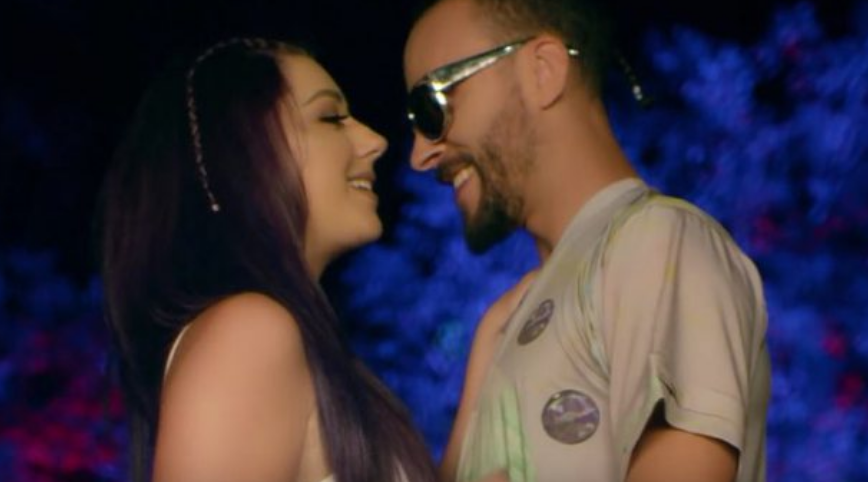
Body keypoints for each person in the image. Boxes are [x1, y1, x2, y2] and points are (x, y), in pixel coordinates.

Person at [402, 1, 770, 481]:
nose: (420, 154)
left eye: (431, 107)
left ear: (543, 70)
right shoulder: (505, 321)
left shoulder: (654, 239)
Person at [99, 38, 439, 482]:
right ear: (241, 151)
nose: (374, 141)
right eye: (330, 117)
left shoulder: (281, 340)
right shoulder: (248, 332)